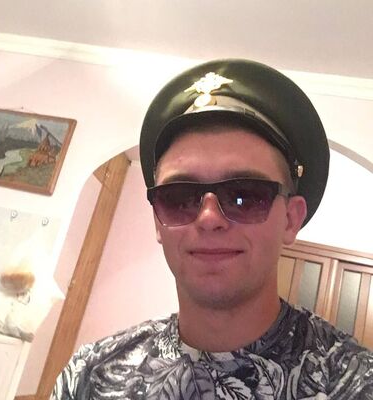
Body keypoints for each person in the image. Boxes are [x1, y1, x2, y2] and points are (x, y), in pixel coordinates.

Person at [51, 59, 373, 399]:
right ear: (158, 220)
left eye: (244, 196)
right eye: (180, 197)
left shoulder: (354, 383)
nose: (208, 218)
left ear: (290, 220)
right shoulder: (90, 376)